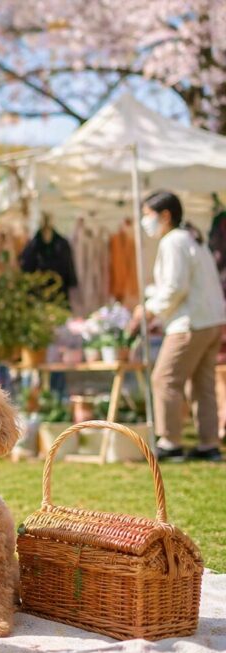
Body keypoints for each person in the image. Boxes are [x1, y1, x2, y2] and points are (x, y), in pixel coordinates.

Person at [132, 190, 226, 462]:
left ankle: (170, 442)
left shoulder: (173, 241)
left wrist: (149, 309)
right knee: (202, 384)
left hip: (189, 323)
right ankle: (209, 444)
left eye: (148, 215)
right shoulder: (191, 238)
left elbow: (175, 287)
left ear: (165, 215)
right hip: (211, 321)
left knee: (165, 378)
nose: (144, 221)